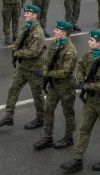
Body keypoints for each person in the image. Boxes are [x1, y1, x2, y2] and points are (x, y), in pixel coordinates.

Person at [64, 29, 100, 172]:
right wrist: (82, 79)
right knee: (84, 130)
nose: (88, 42)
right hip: (91, 101)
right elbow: (80, 67)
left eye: (91, 40)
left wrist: (88, 85)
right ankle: (77, 160)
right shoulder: (89, 55)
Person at [0, 4, 46, 129]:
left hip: (34, 68)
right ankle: (8, 116)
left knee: (37, 94)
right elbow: (19, 40)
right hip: (23, 67)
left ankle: (41, 118)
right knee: (13, 89)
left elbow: (33, 52)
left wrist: (17, 53)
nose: (25, 15)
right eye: (25, 13)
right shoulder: (27, 27)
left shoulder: (37, 33)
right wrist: (15, 47)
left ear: (35, 15)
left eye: (28, 13)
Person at [33, 20, 79, 151]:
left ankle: (68, 138)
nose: (54, 31)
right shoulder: (55, 43)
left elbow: (65, 72)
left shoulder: (70, 50)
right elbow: (48, 60)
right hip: (54, 84)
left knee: (68, 113)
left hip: (66, 86)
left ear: (64, 33)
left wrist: (46, 73)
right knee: (48, 110)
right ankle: (48, 137)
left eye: (57, 30)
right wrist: (46, 72)